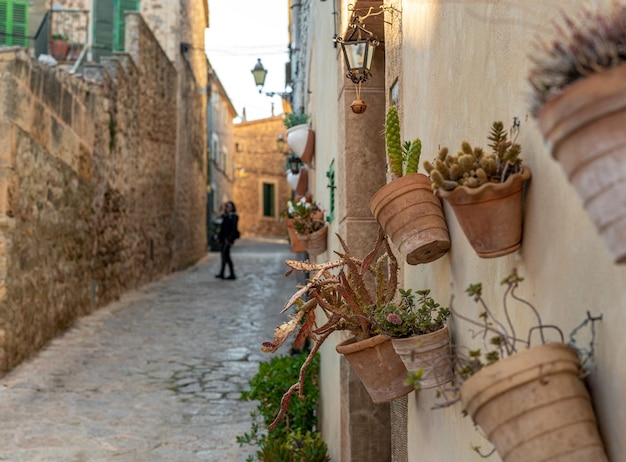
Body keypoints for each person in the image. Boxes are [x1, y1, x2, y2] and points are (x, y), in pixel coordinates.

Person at [216, 201, 239, 280]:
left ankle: (231, 274)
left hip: (228, 239)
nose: (227, 208)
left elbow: (233, 229)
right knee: (224, 256)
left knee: (226, 256)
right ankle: (222, 273)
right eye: (226, 207)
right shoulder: (225, 216)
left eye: (229, 207)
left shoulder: (234, 217)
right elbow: (222, 228)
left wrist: (229, 239)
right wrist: (220, 238)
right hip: (223, 238)